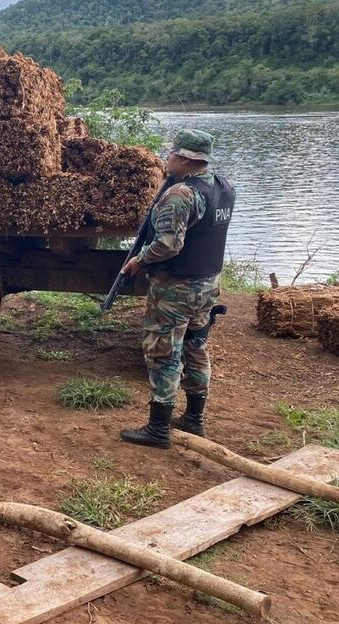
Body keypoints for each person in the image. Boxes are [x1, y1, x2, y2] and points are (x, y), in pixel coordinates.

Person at [119, 130, 235, 448]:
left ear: (185, 159)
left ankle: (158, 429)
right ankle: (194, 420)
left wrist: (139, 261)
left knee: (163, 352)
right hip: (208, 285)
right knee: (196, 348)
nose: (167, 158)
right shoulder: (224, 188)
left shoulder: (182, 194)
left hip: (177, 288)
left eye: (172, 154)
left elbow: (169, 244)